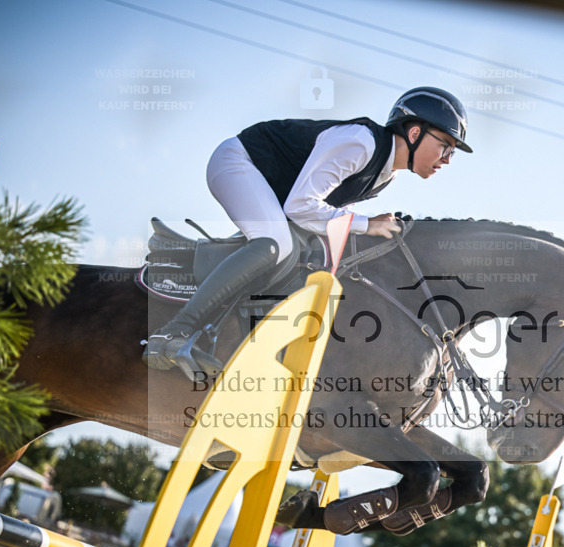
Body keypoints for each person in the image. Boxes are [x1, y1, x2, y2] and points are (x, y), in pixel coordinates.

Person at [142, 86, 472, 374]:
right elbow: (300, 207)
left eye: (453, 151)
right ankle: (174, 333)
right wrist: (365, 224)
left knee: (297, 254)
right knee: (276, 244)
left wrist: (361, 227)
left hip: (273, 188)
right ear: (414, 133)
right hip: (238, 162)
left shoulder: (386, 174)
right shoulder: (361, 143)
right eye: (445, 145)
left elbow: (313, 214)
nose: (447, 158)